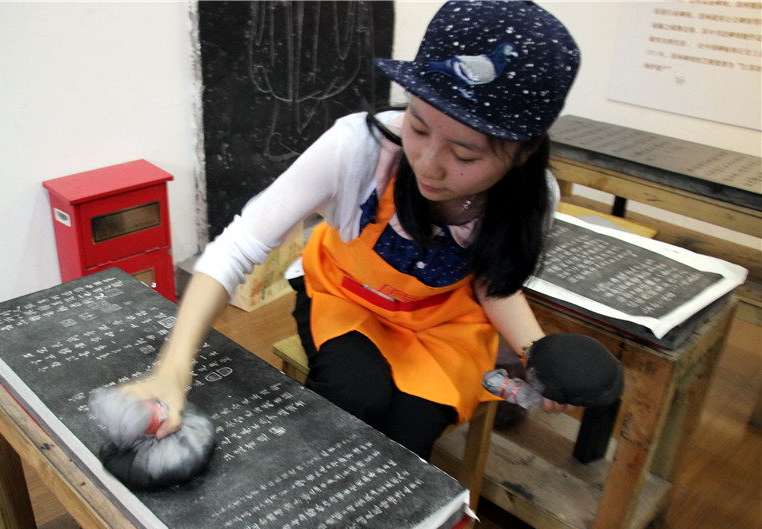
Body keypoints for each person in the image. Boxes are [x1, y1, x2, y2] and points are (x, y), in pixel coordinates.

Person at [123, 0, 582, 459]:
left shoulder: (532, 197)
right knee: (352, 399)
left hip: (440, 319)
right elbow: (236, 247)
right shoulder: (359, 149)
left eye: (465, 156)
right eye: (418, 127)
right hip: (344, 295)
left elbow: (492, 279)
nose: (428, 163)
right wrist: (173, 371)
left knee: (409, 434)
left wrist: (534, 352)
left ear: (523, 153)